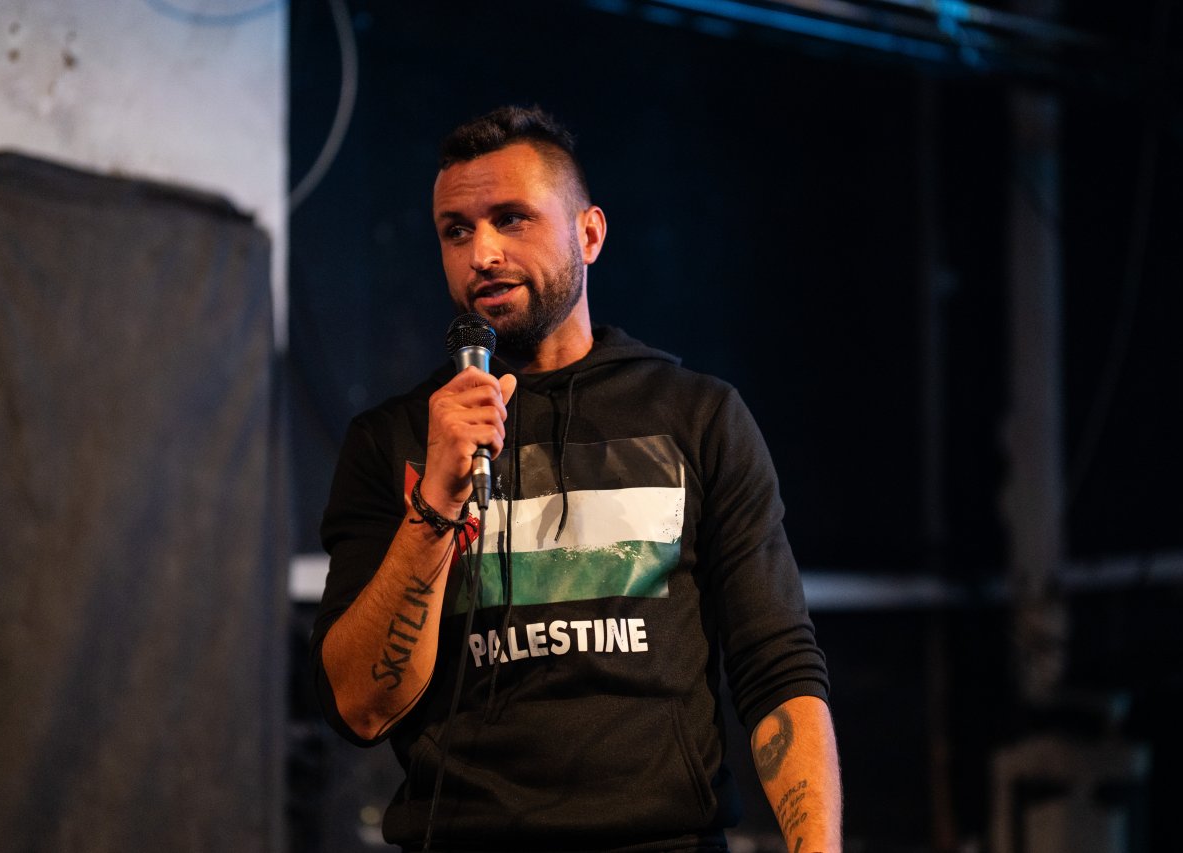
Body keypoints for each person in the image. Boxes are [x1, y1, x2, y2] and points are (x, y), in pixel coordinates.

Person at [311, 104, 842, 852]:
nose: (482, 253)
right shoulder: (394, 440)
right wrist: (435, 504)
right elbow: (359, 708)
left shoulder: (697, 416)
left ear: (589, 235)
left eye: (511, 219)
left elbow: (777, 665)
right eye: (456, 231)